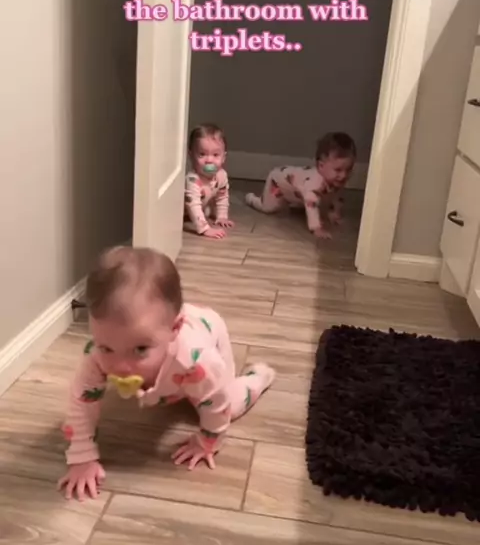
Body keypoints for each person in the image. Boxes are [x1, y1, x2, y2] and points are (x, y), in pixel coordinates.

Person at [58, 245, 275, 500]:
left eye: (140, 349)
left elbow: (217, 403)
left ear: (175, 329)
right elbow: (81, 401)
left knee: (229, 403)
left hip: (209, 331)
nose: (120, 366)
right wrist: (81, 457)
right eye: (107, 348)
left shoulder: (198, 361)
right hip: (167, 328)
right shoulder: (96, 354)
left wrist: (208, 441)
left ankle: (259, 376)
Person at [245, 131, 356, 239]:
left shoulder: (335, 180)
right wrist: (316, 228)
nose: (344, 175)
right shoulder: (315, 185)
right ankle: (251, 199)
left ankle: (295, 202)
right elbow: (311, 204)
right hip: (277, 181)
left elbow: (335, 197)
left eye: (349, 169)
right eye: (338, 170)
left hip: (295, 188)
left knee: (305, 195)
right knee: (269, 208)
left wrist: (334, 214)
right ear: (321, 166)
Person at [184, 123, 234, 239]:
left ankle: (200, 217)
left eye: (215, 155)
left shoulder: (221, 176)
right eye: (202, 154)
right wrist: (205, 229)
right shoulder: (192, 180)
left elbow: (222, 196)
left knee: (207, 212)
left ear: (223, 157)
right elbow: (193, 204)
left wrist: (222, 216)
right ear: (191, 155)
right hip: (180, 211)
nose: (209, 160)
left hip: (200, 208)